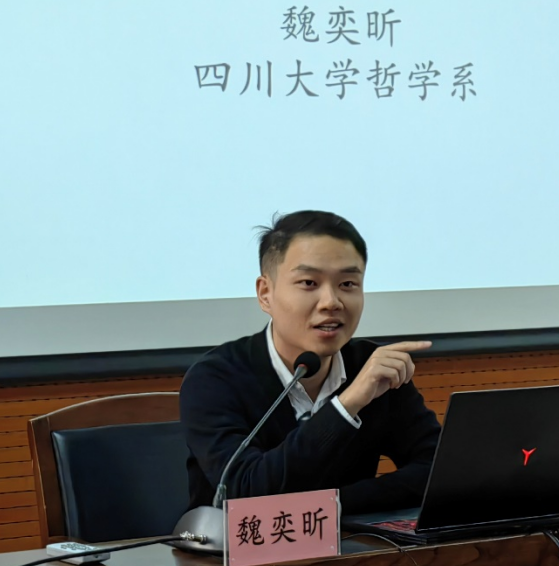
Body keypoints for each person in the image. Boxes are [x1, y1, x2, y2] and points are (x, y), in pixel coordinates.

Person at [179, 210, 441, 514]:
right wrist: (347, 405)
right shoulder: (215, 378)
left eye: (348, 284)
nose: (331, 302)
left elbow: (437, 468)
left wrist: (336, 504)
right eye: (308, 282)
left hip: (352, 542)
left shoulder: (373, 368)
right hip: (237, 544)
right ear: (265, 294)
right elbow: (246, 492)